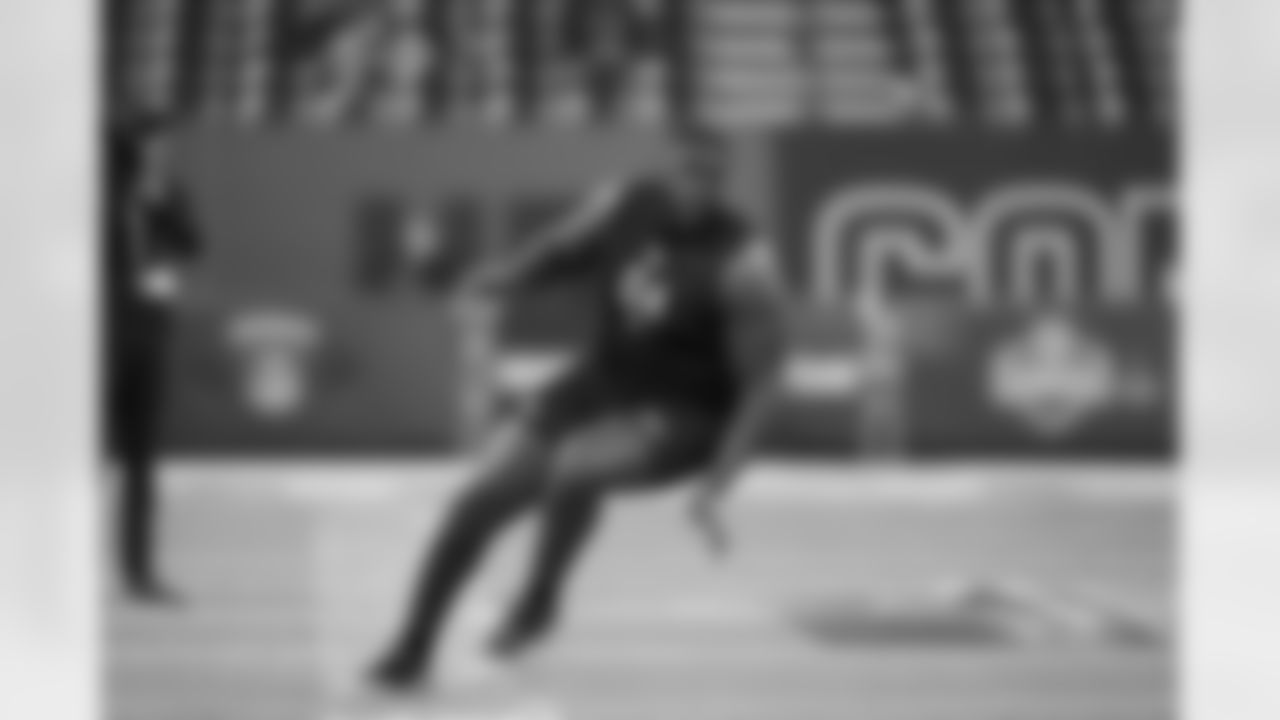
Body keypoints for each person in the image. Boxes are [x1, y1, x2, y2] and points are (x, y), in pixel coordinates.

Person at [369, 127, 790, 690]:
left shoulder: (744, 265)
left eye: (710, 175)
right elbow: (553, 256)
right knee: (476, 502)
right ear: (666, 169)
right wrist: (482, 278)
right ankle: (412, 648)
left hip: (687, 410)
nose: (696, 185)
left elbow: (761, 382)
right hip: (601, 382)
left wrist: (718, 484)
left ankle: (539, 598)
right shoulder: (622, 203)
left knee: (576, 466)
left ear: (724, 180)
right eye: (687, 169)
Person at [106, 112, 203, 604]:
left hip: (147, 333)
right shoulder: (95, 185)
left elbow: (192, 243)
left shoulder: (166, 189)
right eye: (156, 141)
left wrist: (159, 202)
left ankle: (139, 572)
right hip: (96, 335)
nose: (165, 150)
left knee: (142, 463)